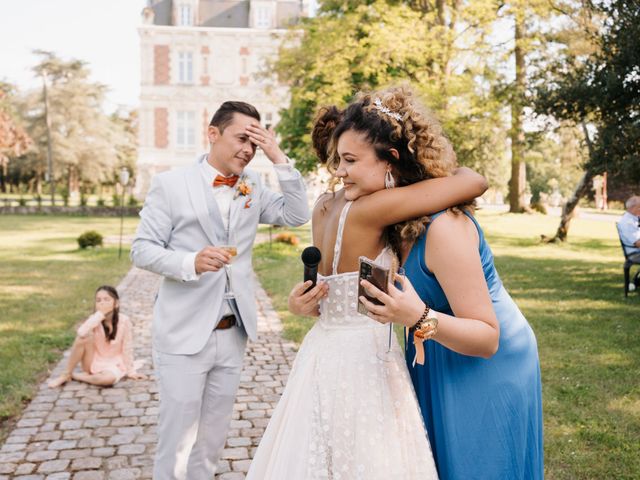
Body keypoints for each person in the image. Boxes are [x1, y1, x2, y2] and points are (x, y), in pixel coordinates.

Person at [246, 86, 488, 479]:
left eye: (348, 160)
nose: (339, 171)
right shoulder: (372, 208)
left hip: (321, 347)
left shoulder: (324, 206)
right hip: (364, 355)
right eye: (339, 161)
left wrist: (298, 304)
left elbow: (324, 286)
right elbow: (472, 181)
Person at [130, 100, 309, 480]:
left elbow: (297, 215)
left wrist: (277, 156)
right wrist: (189, 262)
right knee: (177, 439)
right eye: (242, 138)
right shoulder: (170, 184)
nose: (248, 149)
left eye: (255, 143)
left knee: (212, 438)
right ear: (213, 133)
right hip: (183, 332)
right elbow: (142, 249)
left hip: (233, 332)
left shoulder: (253, 186)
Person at [359, 143, 544, 477]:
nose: (339, 171)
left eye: (350, 160)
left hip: (485, 363)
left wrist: (416, 317)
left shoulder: (443, 226)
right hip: (435, 356)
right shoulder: (394, 222)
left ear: (391, 161)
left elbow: (488, 339)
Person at [48, 285, 145, 388]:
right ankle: (66, 374)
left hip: (113, 364)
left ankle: (75, 376)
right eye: (98, 300)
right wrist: (100, 315)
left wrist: (131, 372)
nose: (102, 303)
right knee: (85, 336)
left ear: (116, 303)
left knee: (108, 379)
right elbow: (81, 333)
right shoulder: (94, 320)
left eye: (106, 299)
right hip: (92, 362)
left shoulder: (124, 321)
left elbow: (127, 348)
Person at [619, 195, 640, 262]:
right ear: (633, 208)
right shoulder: (628, 222)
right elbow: (638, 243)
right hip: (635, 254)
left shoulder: (634, 218)